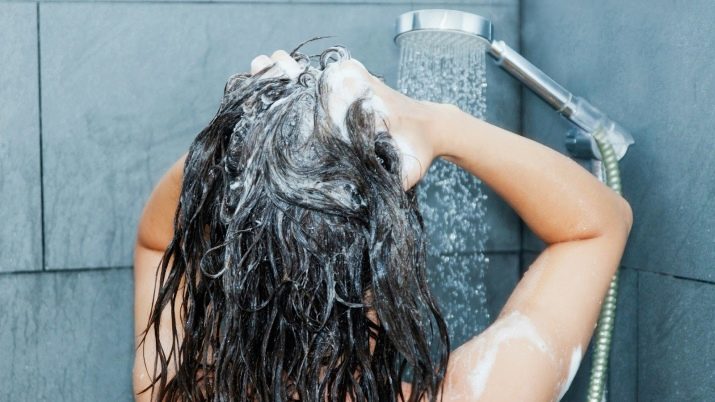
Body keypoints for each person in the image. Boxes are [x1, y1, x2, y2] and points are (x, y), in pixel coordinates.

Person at [132, 45, 632, 402]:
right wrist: (438, 124)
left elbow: (157, 241)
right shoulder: (479, 393)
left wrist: (243, 138)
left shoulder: (173, 388)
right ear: (388, 273)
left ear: (235, 275)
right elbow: (596, 227)